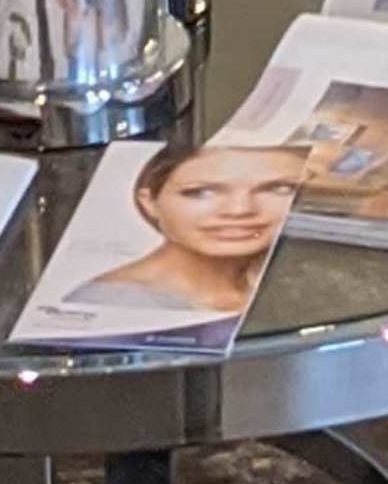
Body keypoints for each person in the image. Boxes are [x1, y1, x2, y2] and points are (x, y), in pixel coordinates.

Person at [33, 136, 305, 335]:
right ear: (150, 201)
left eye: (278, 189)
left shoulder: (292, 284)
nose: (240, 210)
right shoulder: (115, 301)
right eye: (201, 192)